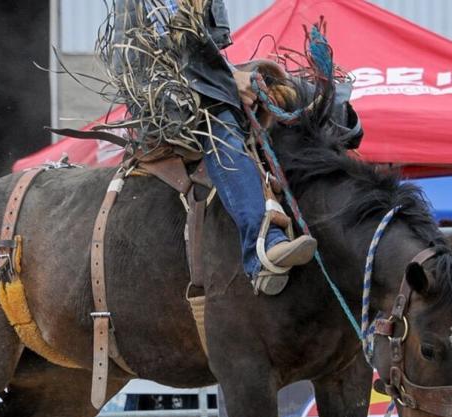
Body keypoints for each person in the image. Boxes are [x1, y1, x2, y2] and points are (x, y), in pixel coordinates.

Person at [106, 0, 318, 295]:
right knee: (221, 127)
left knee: (296, 90)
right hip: (160, 98)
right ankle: (261, 249)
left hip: (208, 82)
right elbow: (133, 65)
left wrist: (233, 76)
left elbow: (211, 55)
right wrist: (228, 82)